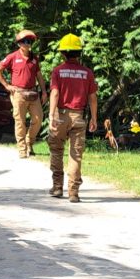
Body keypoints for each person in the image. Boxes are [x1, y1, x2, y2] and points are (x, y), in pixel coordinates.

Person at [47, 33, 98, 203]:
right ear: (79, 53)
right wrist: (94, 118)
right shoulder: (87, 73)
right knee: (75, 155)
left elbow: (54, 93)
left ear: (62, 53)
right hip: (78, 116)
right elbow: (92, 98)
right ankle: (73, 192)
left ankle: (56, 187)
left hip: (60, 115)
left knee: (56, 150)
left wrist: (52, 113)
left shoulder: (58, 71)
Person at [0, 29, 48, 158]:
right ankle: (22, 149)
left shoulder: (35, 59)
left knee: (38, 119)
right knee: (20, 121)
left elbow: (39, 76)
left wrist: (44, 91)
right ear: (19, 43)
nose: (27, 44)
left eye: (29, 41)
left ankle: (30, 142)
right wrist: (7, 85)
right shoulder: (12, 57)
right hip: (18, 93)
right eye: (24, 41)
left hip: (33, 93)